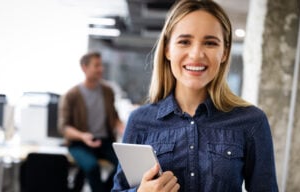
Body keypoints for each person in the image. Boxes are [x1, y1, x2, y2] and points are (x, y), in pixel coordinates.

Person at [112, 1, 278, 192]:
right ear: (167, 49)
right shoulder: (140, 121)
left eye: (210, 43)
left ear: (224, 51)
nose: (196, 54)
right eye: (184, 42)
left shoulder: (251, 122)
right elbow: (119, 189)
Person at [58, 51, 123, 192]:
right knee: (93, 168)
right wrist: (82, 136)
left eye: (101, 65)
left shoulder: (107, 91)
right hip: (80, 143)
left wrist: (122, 127)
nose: (101, 69)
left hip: (104, 142)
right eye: (96, 65)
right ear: (84, 67)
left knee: (125, 165)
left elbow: (114, 116)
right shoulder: (71, 95)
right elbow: (64, 127)